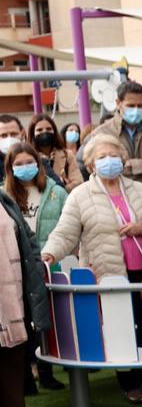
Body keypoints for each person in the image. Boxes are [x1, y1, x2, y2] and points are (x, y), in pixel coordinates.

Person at [42, 137, 142, 404]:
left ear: (123, 158)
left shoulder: (139, 189)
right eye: (102, 156)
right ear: (90, 164)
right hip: (107, 272)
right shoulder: (80, 195)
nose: (109, 160)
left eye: (113, 154)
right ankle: (129, 382)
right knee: (120, 327)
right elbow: (66, 232)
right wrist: (48, 253)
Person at [6, 141, 68, 391]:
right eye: (18, 164)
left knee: (48, 318)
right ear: (10, 168)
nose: (25, 167)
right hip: (16, 266)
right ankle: (25, 376)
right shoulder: (5, 195)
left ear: (39, 163)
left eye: (29, 162)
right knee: (23, 319)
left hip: (48, 263)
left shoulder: (55, 192)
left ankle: (46, 371)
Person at [0, 187, 51, 407]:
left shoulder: (4, 199)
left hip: (12, 294)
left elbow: (28, 239)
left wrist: (35, 263)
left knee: (14, 355)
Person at [79, 81, 142, 187]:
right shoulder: (101, 133)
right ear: (118, 103)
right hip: (117, 192)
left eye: (140, 106)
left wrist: (130, 164)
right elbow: (90, 166)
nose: (136, 110)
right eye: (131, 105)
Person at [29, 114, 83, 190]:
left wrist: (60, 189)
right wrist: (63, 182)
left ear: (54, 131)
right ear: (32, 134)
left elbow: (78, 182)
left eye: (48, 129)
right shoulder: (28, 157)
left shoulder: (67, 155)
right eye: (39, 130)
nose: (45, 132)